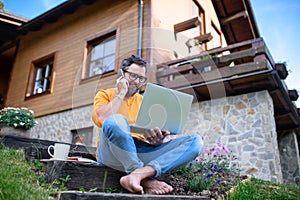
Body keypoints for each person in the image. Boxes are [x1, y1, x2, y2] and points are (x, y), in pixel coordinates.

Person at [92, 55, 203, 195]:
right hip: (111, 152)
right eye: (132, 76)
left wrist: (157, 141)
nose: (136, 82)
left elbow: (150, 134)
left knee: (195, 142)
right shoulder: (104, 94)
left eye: (141, 78)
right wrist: (121, 93)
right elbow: (103, 118)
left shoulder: (144, 101)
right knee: (116, 121)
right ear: (121, 74)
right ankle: (144, 179)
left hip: (140, 151)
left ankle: (138, 175)